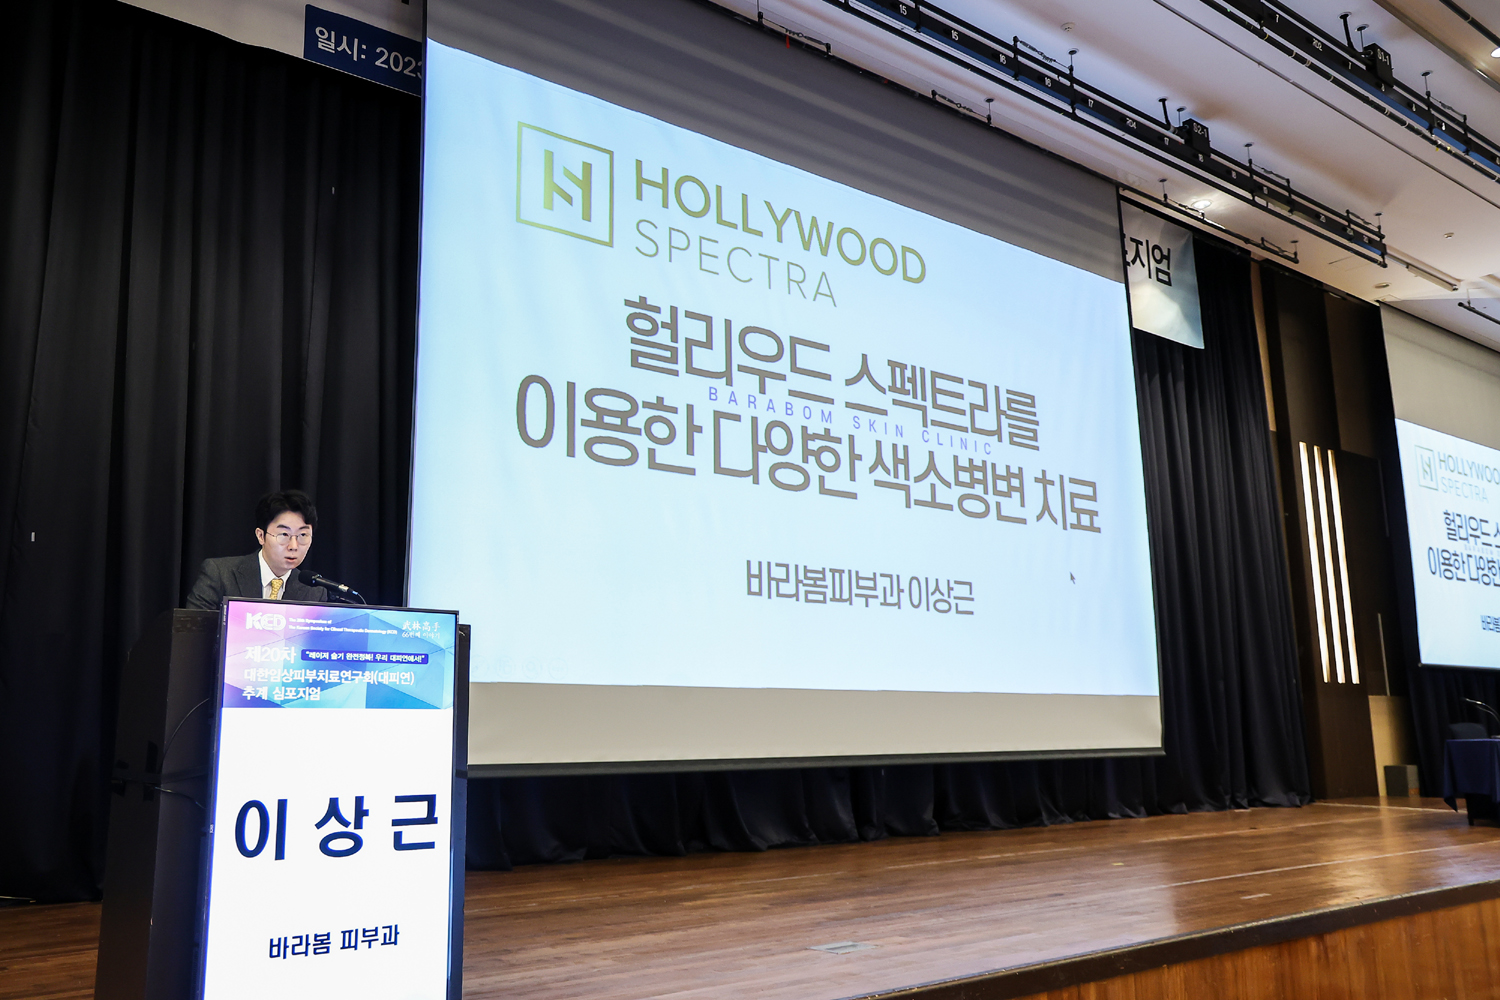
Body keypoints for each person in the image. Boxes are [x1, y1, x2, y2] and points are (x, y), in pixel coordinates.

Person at [185, 490, 330, 609]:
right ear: (261, 536)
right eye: (284, 535)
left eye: (303, 535)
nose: (294, 546)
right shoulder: (220, 574)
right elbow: (192, 630)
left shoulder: (314, 591)